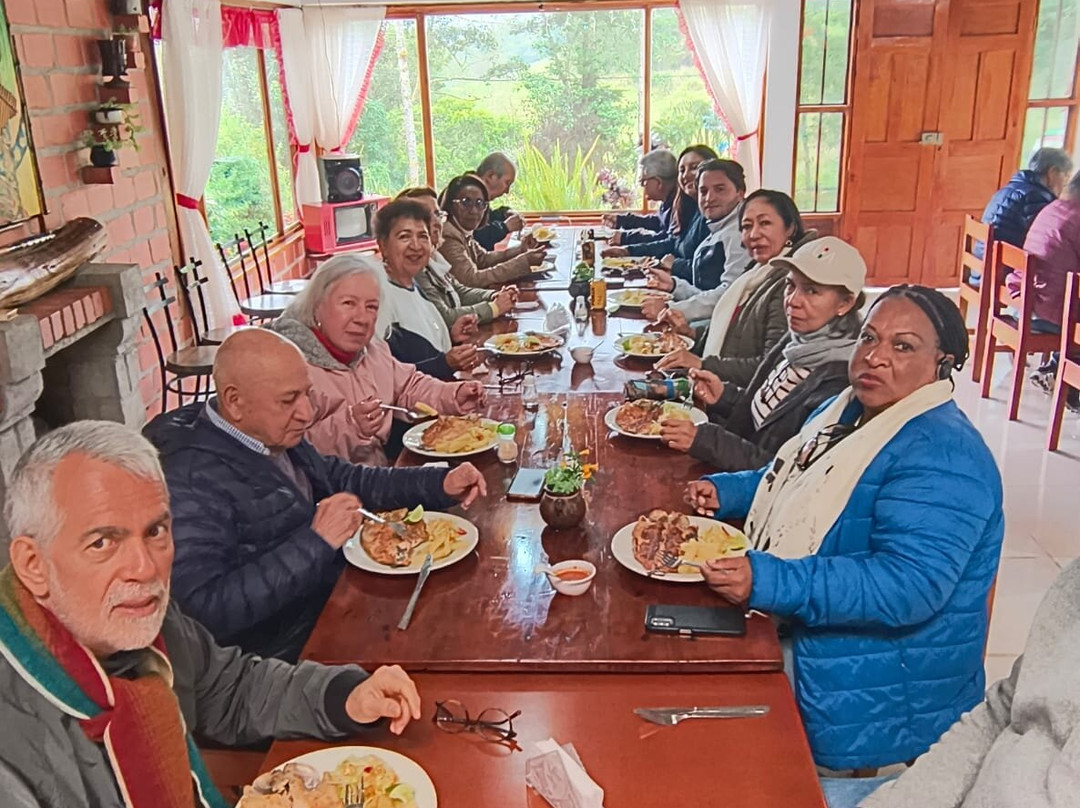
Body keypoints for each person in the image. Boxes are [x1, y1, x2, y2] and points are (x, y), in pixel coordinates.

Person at [0, 420, 427, 808]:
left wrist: (344, 695)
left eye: (156, 531)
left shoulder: (148, 625)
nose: (145, 568)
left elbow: (232, 689)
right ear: (33, 565)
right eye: (102, 543)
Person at [686, 285, 1004, 778]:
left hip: (871, 683)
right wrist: (728, 491)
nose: (875, 357)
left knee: (697, 713)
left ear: (942, 364)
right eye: (869, 338)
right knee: (674, 643)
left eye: (903, 346)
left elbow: (905, 587)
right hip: (821, 634)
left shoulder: (945, 456)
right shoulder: (848, 409)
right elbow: (792, 476)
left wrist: (770, 581)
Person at [143, 329, 488, 662]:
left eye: (306, 394)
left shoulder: (266, 433)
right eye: (289, 400)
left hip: (335, 597)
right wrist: (317, 541)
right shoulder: (189, 480)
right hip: (287, 654)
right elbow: (204, 613)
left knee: (468, 604)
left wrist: (438, 484)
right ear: (234, 402)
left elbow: (342, 477)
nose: (307, 413)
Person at [845, 558, 1080, 808]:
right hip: (959, 785)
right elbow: (1000, 711)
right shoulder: (1073, 582)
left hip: (906, 676)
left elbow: (908, 583)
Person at [659, 236, 865, 473]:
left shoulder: (838, 383)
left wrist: (707, 441)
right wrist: (724, 395)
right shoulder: (796, 342)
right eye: (790, 286)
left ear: (845, 303)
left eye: (812, 291)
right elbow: (765, 411)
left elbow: (785, 474)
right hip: (729, 460)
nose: (793, 301)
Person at [268, 255, 485, 466]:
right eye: (348, 303)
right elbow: (287, 452)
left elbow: (409, 385)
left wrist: (454, 394)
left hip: (379, 481)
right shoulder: (289, 367)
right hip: (329, 496)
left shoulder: (373, 349)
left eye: (371, 307)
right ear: (317, 306)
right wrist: (350, 426)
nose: (362, 318)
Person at [654, 190, 816, 388]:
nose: (754, 234)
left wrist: (703, 363)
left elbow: (769, 366)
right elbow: (735, 331)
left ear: (790, 228)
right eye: (747, 227)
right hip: (718, 385)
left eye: (765, 223)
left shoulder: (789, 283)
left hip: (738, 400)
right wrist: (690, 333)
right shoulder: (757, 270)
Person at [375, 197, 483, 381]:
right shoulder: (377, 298)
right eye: (404, 237)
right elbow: (387, 375)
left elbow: (418, 350)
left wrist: (452, 336)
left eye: (422, 236)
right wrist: (445, 364)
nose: (416, 246)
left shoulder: (411, 284)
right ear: (383, 245)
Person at [396, 186, 518, 327]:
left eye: (437, 214)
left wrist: (493, 296)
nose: (436, 222)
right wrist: (494, 308)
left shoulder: (433, 256)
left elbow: (459, 291)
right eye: (425, 217)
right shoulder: (412, 268)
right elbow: (443, 317)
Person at [1007, 169, 1080, 403]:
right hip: (1051, 310)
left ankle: (1058, 369)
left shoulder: (1054, 208)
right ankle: (1065, 377)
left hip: (1028, 301)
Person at [644, 158, 750, 298]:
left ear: (740, 193)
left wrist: (676, 308)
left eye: (720, 189)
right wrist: (674, 285)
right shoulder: (717, 226)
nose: (709, 198)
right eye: (703, 191)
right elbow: (704, 294)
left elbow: (728, 299)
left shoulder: (740, 233)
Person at [602, 145, 717, 261]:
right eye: (681, 170)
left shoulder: (711, 213)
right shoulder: (683, 203)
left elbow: (704, 267)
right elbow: (671, 240)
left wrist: (626, 239)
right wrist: (627, 249)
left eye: (694, 167)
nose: (686, 175)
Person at [438, 173, 546, 288]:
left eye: (480, 203)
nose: (474, 210)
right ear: (450, 205)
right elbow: (471, 279)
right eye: (466, 202)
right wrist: (521, 263)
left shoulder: (462, 231)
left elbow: (483, 259)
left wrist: (521, 249)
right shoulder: (448, 236)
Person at [982, 147, 1072, 251]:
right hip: (999, 262)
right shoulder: (1035, 196)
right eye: (1066, 176)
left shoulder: (1015, 186)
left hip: (982, 257)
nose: (1066, 183)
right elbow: (1042, 239)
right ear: (1052, 172)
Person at [601, 148, 679, 241]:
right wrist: (622, 220)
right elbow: (658, 222)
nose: (642, 186)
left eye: (643, 182)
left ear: (659, 182)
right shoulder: (668, 201)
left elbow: (667, 242)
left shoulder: (680, 207)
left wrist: (626, 239)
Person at [472, 152, 525, 250]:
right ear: (491, 176)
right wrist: (505, 227)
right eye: (507, 183)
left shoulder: (478, 191)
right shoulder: (467, 194)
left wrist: (503, 214)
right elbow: (477, 236)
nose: (507, 191)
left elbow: (485, 220)